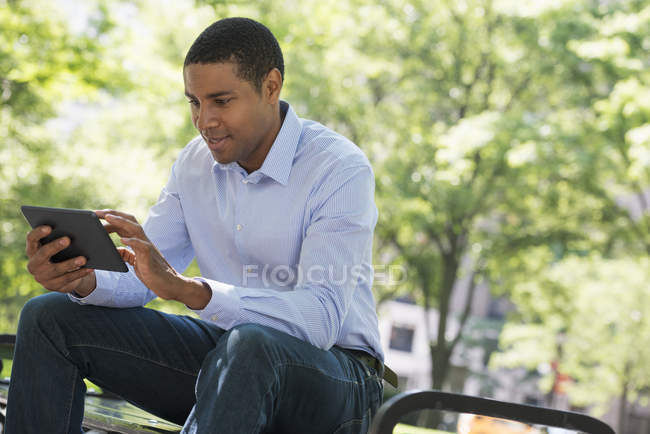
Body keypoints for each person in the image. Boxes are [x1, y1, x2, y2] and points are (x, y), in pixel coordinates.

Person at [5, 17, 395, 434]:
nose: (204, 120)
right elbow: (142, 282)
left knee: (250, 343)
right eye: (194, 102)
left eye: (221, 101)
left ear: (271, 86)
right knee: (49, 317)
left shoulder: (338, 169)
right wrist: (79, 278)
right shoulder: (194, 165)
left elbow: (320, 319)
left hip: (338, 380)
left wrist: (190, 290)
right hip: (229, 362)